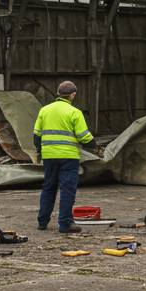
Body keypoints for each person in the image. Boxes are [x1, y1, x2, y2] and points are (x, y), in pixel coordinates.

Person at [32, 80, 96, 234]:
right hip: (68, 157)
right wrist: (95, 145)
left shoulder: (44, 110)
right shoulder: (74, 112)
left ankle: (42, 221)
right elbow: (84, 137)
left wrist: (40, 151)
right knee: (67, 190)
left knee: (49, 187)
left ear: (59, 94)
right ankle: (65, 224)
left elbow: (36, 135)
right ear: (72, 95)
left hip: (49, 156)